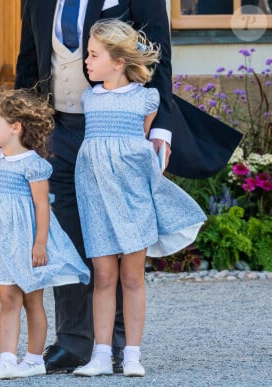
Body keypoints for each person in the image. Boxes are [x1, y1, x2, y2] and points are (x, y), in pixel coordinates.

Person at [15, 0, 242, 374]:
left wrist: (162, 129)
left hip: (121, 128)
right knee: (68, 235)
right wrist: (26, 134)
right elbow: (28, 63)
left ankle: (120, 345)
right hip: (56, 129)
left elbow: (160, 58)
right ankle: (74, 342)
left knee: (120, 233)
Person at [72, 19, 206, 378]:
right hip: (95, 193)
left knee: (132, 276)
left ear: (118, 61)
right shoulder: (89, 98)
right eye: (88, 54)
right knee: (102, 274)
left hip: (133, 195)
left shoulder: (147, 98)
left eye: (94, 55)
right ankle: (100, 354)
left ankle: (132, 353)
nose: (86, 61)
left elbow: (140, 148)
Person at [0, 88, 91, 380]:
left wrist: (40, 243)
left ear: (15, 127)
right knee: (8, 298)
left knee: (32, 300)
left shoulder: (34, 164)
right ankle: (7, 358)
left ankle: (34, 359)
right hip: (3, 241)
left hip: (28, 240)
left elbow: (41, 206)